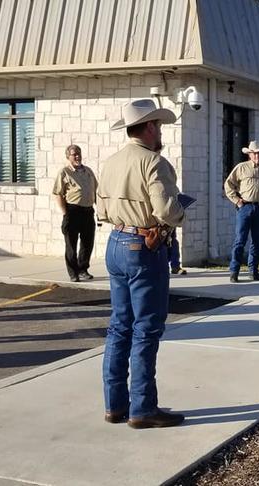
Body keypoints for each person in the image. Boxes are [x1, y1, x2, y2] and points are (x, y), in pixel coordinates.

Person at [96, 99, 186, 429]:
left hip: (116, 242)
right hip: (143, 245)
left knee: (120, 325)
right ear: (149, 127)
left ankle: (115, 405)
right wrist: (180, 213)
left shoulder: (112, 161)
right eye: (158, 126)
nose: (160, 131)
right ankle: (143, 408)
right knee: (146, 329)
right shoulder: (153, 162)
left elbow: (101, 210)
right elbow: (165, 210)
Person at [223, 140, 259, 283]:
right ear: (249, 154)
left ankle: (253, 270)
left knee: (257, 241)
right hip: (245, 207)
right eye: (254, 153)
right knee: (240, 240)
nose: (257, 155)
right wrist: (237, 200)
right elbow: (228, 184)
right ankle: (234, 271)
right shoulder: (241, 168)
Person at [52, 144, 98, 282]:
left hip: (88, 211)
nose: (77, 156)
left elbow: (96, 191)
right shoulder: (64, 172)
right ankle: (73, 273)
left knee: (87, 242)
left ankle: (83, 269)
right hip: (73, 211)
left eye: (79, 153)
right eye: (74, 154)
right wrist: (65, 213)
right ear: (68, 157)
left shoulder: (88, 171)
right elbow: (58, 194)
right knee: (71, 244)